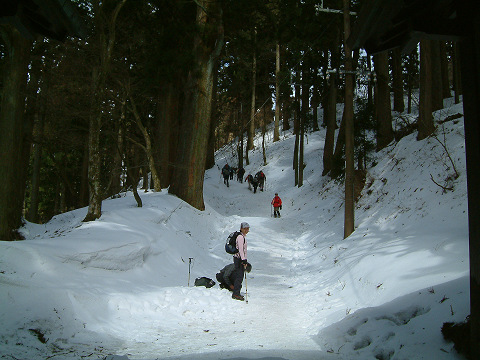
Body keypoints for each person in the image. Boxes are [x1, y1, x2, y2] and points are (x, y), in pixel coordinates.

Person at [232, 222, 249, 300]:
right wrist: (243, 260)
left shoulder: (242, 236)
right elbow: (241, 250)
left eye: (247, 228)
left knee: (240, 276)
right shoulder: (240, 237)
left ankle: (237, 292)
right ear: (241, 229)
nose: (246, 230)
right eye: (245, 228)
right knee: (239, 276)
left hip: (240, 259)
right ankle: (236, 293)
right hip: (239, 259)